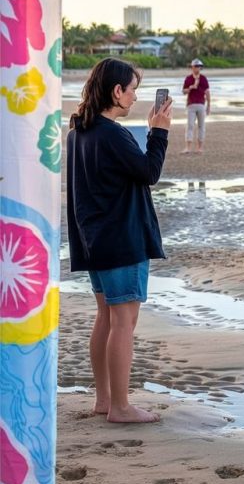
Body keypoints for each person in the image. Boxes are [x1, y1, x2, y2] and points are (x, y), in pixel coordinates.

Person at [67, 58, 173, 423]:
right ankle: (121, 407)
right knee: (123, 321)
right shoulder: (111, 133)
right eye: (132, 90)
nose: (134, 97)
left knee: (106, 318)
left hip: (93, 239)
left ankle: (104, 400)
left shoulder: (79, 130)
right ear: (117, 91)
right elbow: (149, 172)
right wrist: (159, 131)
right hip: (120, 238)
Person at [181, 58, 210, 154]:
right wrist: (191, 87)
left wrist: (209, 105)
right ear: (192, 67)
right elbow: (184, 91)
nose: (198, 68)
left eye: (199, 66)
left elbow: (207, 92)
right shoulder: (188, 78)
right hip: (191, 104)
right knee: (190, 126)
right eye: (196, 66)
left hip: (201, 104)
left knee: (201, 126)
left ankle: (200, 148)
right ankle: (188, 148)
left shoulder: (203, 78)